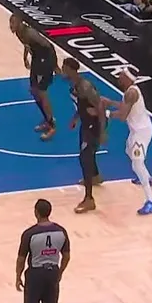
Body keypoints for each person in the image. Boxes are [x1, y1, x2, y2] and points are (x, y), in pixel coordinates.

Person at [16, 198, 70, 303]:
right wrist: (60, 272)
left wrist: (18, 276)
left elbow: (21, 259)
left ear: (36, 212)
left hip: (35, 275)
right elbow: (66, 256)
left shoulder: (29, 234)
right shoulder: (61, 231)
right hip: (52, 273)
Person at [105, 70, 152, 214]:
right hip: (137, 130)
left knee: (137, 164)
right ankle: (147, 177)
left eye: (122, 75)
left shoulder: (131, 93)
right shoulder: (130, 91)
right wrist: (110, 103)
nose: (119, 77)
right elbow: (125, 106)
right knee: (128, 150)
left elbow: (123, 116)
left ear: (128, 78)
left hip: (141, 132)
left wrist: (106, 113)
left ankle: (151, 202)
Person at [61, 57, 106, 213]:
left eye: (64, 68)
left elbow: (100, 107)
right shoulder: (74, 85)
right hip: (86, 123)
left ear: (71, 70)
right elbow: (82, 106)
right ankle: (95, 177)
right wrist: (75, 118)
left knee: (85, 158)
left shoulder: (85, 86)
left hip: (93, 125)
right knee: (87, 154)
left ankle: (89, 199)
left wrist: (103, 132)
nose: (62, 71)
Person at [10, 13, 56, 140]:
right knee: (34, 91)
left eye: (13, 23)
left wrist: (54, 65)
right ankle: (47, 119)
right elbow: (27, 45)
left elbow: (48, 47)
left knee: (41, 92)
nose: (11, 25)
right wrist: (25, 58)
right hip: (37, 59)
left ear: (20, 23)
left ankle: (52, 126)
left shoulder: (30, 33)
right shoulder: (19, 33)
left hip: (45, 60)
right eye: (10, 23)